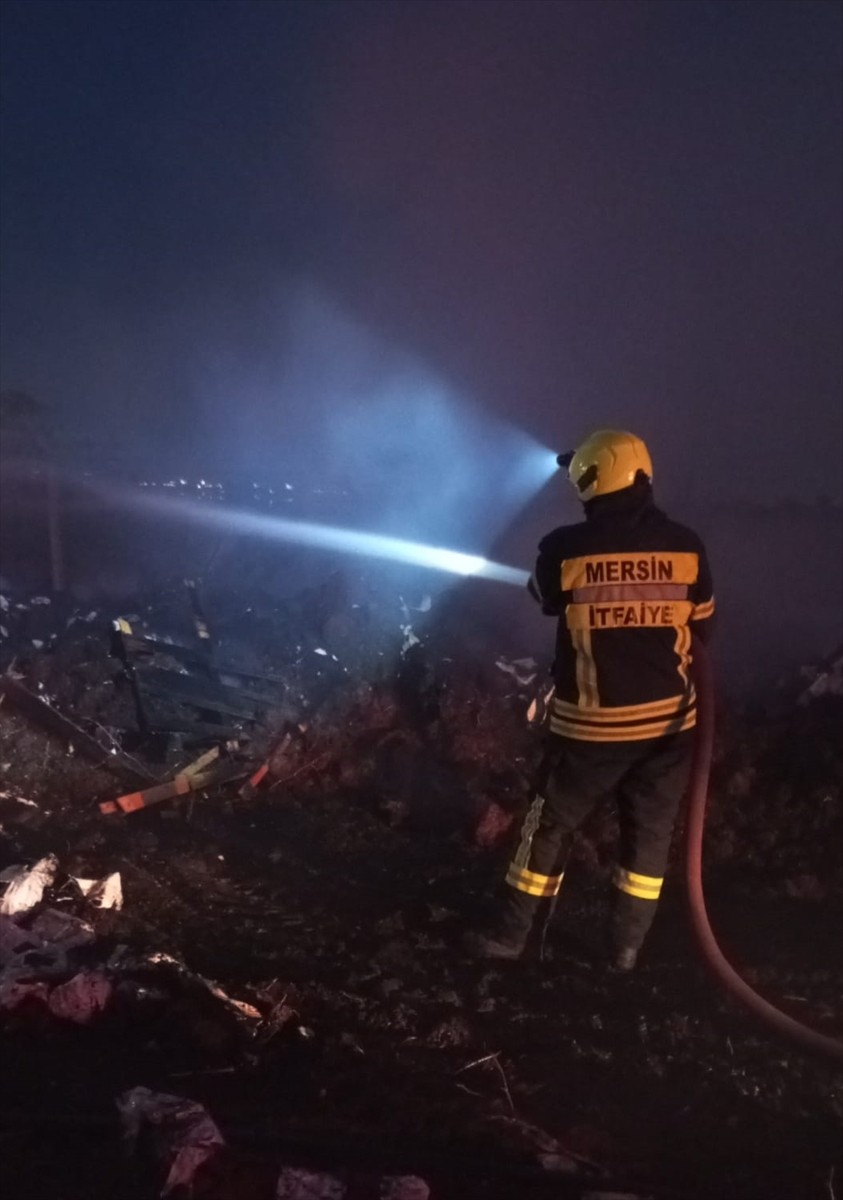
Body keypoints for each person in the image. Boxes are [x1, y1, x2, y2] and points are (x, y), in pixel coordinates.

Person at [469, 429, 715, 970]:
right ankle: (624, 952)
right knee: (647, 841)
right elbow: (703, 628)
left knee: (549, 826)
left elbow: (542, 596)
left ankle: (509, 937)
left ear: (591, 478)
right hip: (671, 730)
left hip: (592, 730)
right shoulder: (687, 546)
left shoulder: (564, 549)